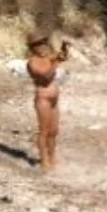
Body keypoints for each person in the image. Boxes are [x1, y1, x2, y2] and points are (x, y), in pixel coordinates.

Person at [25, 33, 70, 170]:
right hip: (43, 98)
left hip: (54, 98)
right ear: (33, 48)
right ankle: (44, 161)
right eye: (38, 44)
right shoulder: (32, 62)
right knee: (44, 131)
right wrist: (56, 63)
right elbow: (45, 76)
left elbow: (63, 56)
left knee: (54, 131)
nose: (42, 46)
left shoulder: (48, 57)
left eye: (44, 42)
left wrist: (64, 48)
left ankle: (52, 157)